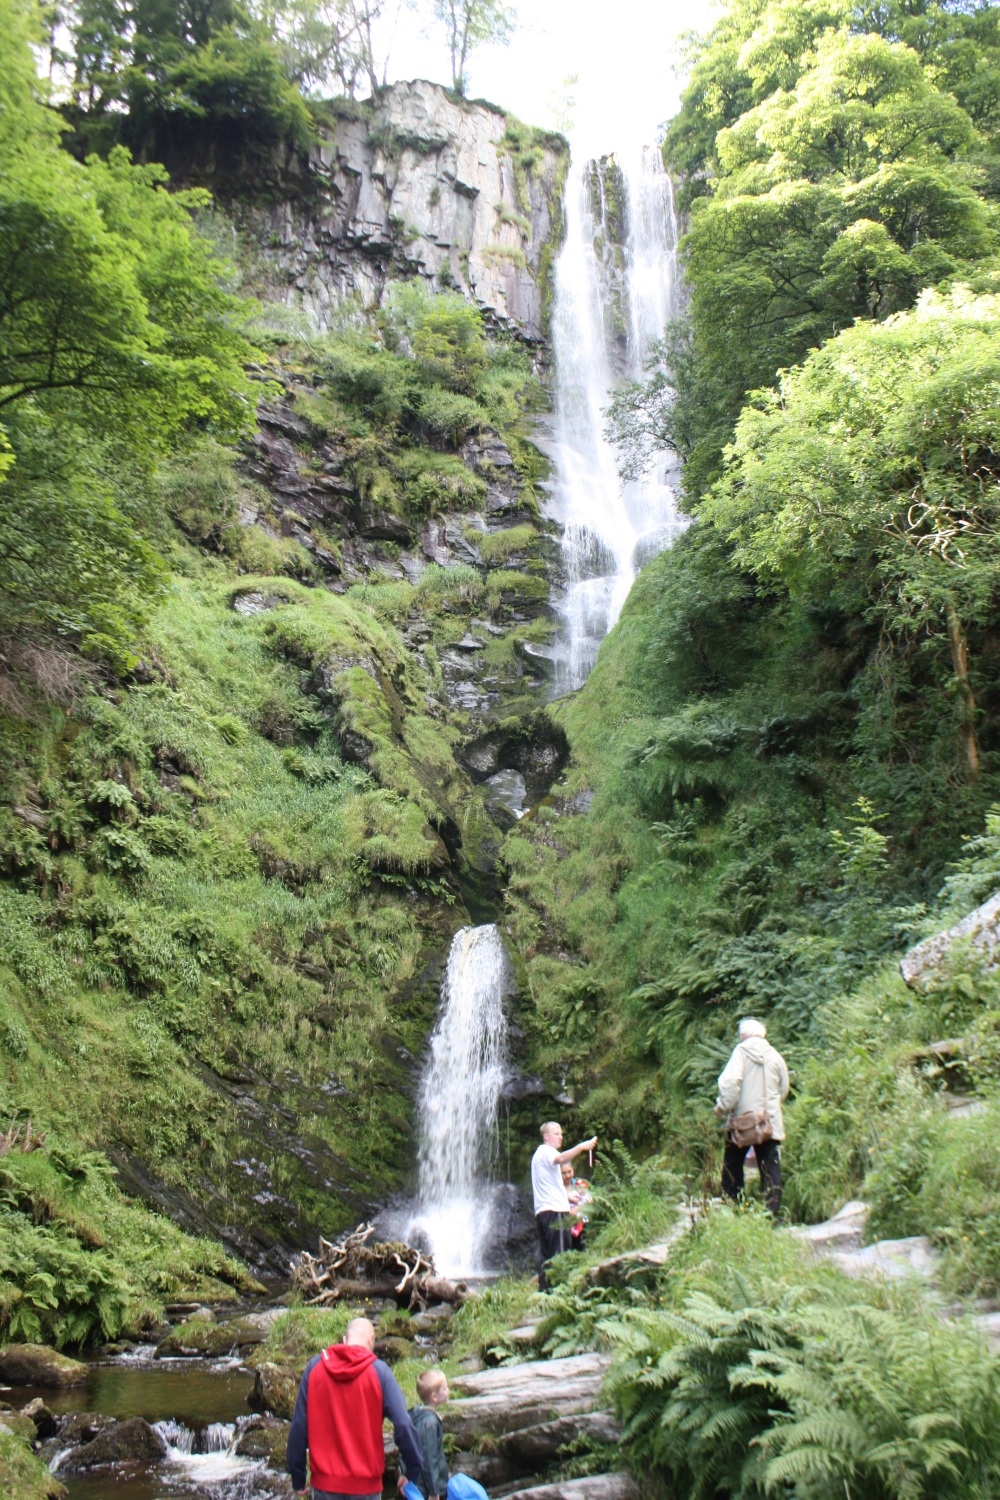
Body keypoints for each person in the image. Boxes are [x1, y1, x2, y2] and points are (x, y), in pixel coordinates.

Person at [287, 1316, 424, 1499]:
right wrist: (412, 1470)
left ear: (345, 1340)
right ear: (371, 1339)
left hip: (325, 1486)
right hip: (366, 1488)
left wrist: (298, 1477)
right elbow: (404, 1424)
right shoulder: (380, 1372)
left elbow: (298, 1427)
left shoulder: (315, 1368)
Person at [715, 1017, 790, 1219]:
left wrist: (722, 1106)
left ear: (743, 1036)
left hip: (742, 1123)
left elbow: (731, 1084)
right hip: (769, 1122)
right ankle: (771, 1214)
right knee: (770, 1165)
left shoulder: (740, 1053)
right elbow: (783, 1089)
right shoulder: (775, 1056)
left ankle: (732, 1209)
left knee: (732, 1164)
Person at [531, 1121, 597, 1289]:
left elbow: (546, 1185)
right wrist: (581, 1147)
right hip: (555, 1212)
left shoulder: (539, 1155)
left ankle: (545, 1292)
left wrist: (567, 1196)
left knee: (548, 1255)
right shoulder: (547, 1151)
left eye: (561, 1134)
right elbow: (561, 1159)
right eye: (556, 1134)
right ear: (546, 1137)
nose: (561, 1137)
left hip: (543, 1212)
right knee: (560, 1255)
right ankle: (560, 1291)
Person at [399, 1369, 450, 1500]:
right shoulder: (430, 1423)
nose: (448, 1390)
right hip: (426, 1490)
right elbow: (429, 1458)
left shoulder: (416, 1414)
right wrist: (434, 1492)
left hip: (415, 1484)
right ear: (434, 1397)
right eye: (445, 1388)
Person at [560, 1161, 592, 1251]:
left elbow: (588, 1200)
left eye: (569, 1172)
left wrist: (577, 1209)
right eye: (564, 1173)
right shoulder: (558, 1187)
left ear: (573, 1170)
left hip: (580, 1220)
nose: (567, 1175)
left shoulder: (579, 1184)